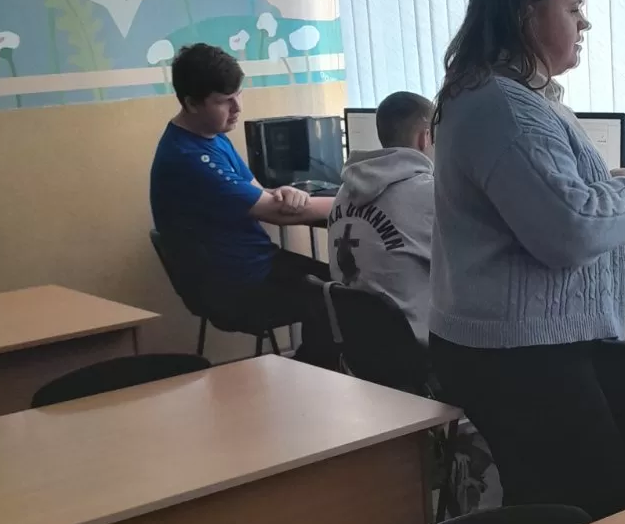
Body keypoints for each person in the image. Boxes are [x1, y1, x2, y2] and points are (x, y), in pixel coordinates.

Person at [428, 0, 625, 520]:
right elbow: (570, 230)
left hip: (512, 348)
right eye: (573, 8)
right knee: (594, 517)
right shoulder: (506, 108)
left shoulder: (494, 94)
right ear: (526, 12)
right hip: (524, 357)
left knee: (546, 506)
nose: (585, 23)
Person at [149, 42, 336, 363]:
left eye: (239, 95)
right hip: (235, 287)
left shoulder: (211, 136)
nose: (237, 107)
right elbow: (277, 214)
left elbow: (260, 194)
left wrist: (285, 193)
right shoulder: (189, 158)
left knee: (340, 287)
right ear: (191, 103)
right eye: (224, 100)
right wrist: (353, 201)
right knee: (341, 297)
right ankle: (309, 376)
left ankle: (313, 370)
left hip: (253, 265)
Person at [328, 91, 435, 344]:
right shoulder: (429, 193)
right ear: (425, 137)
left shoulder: (344, 191)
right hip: (419, 349)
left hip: (359, 348)